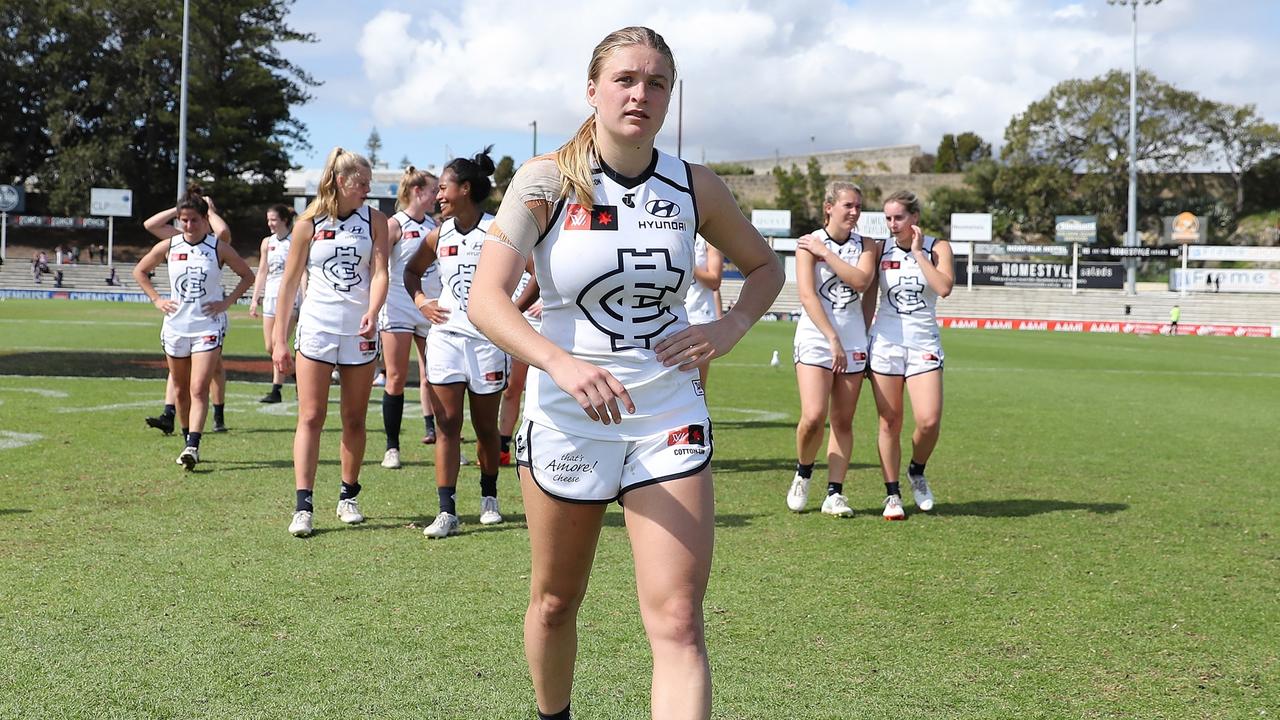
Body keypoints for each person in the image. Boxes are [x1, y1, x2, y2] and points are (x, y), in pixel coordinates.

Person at [468, 26, 783, 720]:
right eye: (625, 79)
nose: (641, 93)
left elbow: (766, 267)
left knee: (677, 621)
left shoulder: (693, 185)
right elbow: (484, 298)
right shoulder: (546, 179)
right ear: (593, 90)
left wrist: (728, 328)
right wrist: (558, 361)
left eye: (657, 82)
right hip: (566, 418)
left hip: (668, 414)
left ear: (670, 96)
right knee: (555, 603)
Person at [271, 147, 389, 538]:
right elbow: (288, 285)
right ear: (341, 182)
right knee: (310, 416)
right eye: (362, 184)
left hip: (359, 332)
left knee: (354, 418)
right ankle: (303, 505)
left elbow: (381, 272)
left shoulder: (376, 221)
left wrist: (373, 310)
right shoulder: (308, 223)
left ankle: (348, 495)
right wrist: (279, 339)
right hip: (317, 329)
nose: (368, 190)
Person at [404, 148, 520, 537]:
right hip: (446, 338)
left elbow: (535, 274)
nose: (438, 195)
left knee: (486, 427)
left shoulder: (497, 230)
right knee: (447, 423)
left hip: (487, 344)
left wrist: (512, 311)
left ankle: (489, 497)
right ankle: (447, 511)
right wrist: (422, 302)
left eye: (443, 187)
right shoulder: (439, 234)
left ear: (465, 189)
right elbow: (411, 272)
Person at [132, 188, 254, 469]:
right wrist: (157, 299)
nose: (188, 225)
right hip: (175, 326)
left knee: (199, 387)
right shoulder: (171, 246)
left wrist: (227, 302)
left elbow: (247, 275)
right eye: (183, 220)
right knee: (180, 387)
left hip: (207, 326)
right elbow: (140, 270)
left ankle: (193, 445)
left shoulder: (217, 246)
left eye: (194, 220)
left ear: (204, 220)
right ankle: (187, 437)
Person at [785, 181, 879, 517]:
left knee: (843, 420)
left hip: (854, 340)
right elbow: (808, 296)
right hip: (815, 338)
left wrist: (827, 254)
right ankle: (803, 472)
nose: (854, 212)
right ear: (829, 207)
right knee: (813, 417)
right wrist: (831, 338)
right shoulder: (807, 244)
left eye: (858, 206)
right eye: (848, 206)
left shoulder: (867, 245)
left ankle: (834, 493)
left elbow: (862, 282)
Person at [866, 190, 953, 520]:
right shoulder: (878, 249)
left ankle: (916, 470)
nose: (892, 224)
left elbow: (943, 287)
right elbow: (868, 294)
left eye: (898, 217)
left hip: (923, 343)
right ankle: (892, 494)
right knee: (890, 421)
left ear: (914, 217)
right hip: (885, 342)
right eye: (888, 218)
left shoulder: (936, 247)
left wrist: (917, 253)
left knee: (929, 421)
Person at [376, 166, 440, 469]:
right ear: (417, 191)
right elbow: (378, 269)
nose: (437, 197)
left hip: (429, 307)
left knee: (436, 375)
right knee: (397, 376)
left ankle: (439, 436)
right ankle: (392, 447)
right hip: (398, 306)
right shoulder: (394, 224)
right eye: (433, 191)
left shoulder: (435, 226)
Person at [249, 204, 302, 404]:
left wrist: (304, 300)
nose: (270, 223)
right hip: (270, 297)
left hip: (289, 297)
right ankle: (298, 378)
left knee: (277, 343)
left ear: (284, 221)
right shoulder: (267, 242)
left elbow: (302, 271)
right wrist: (255, 299)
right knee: (270, 347)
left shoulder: (295, 240)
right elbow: (262, 271)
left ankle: (277, 389)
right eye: (268, 219)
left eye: (274, 219)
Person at [497, 273, 542, 466]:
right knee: (511, 389)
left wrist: (545, 303)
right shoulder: (517, 245)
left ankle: (541, 445)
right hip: (521, 326)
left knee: (543, 389)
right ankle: (503, 447)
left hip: (549, 326)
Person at [683, 234, 724, 388]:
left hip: (698, 317)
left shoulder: (708, 238)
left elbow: (714, 280)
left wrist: (688, 265)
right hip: (670, 316)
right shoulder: (669, 231)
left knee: (696, 388)